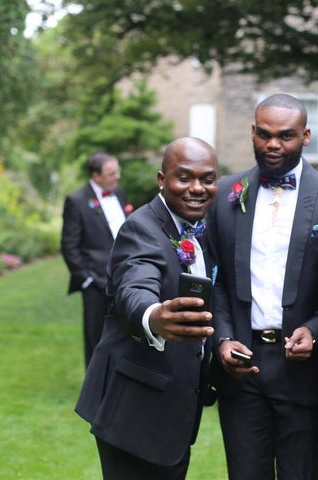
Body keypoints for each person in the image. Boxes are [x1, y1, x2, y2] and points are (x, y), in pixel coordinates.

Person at [207, 93, 318, 479]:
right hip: (242, 366)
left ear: (306, 136)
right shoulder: (225, 197)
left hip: (301, 368)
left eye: (285, 136)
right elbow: (214, 280)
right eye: (264, 134)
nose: (273, 144)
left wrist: (315, 331)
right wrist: (222, 338)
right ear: (252, 132)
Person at [75, 137, 219, 480]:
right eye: (184, 177)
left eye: (208, 179)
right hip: (136, 409)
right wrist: (153, 317)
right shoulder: (142, 228)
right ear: (161, 179)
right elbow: (134, 287)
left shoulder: (200, 227)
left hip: (176, 408)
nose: (197, 188)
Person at [61, 151, 131, 367]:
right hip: (95, 282)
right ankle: (93, 389)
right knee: (95, 337)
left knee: (124, 333)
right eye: (111, 173)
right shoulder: (77, 200)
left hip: (124, 278)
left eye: (117, 171)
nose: (117, 176)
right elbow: (69, 245)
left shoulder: (119, 194)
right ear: (96, 176)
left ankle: (116, 380)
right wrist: (86, 279)